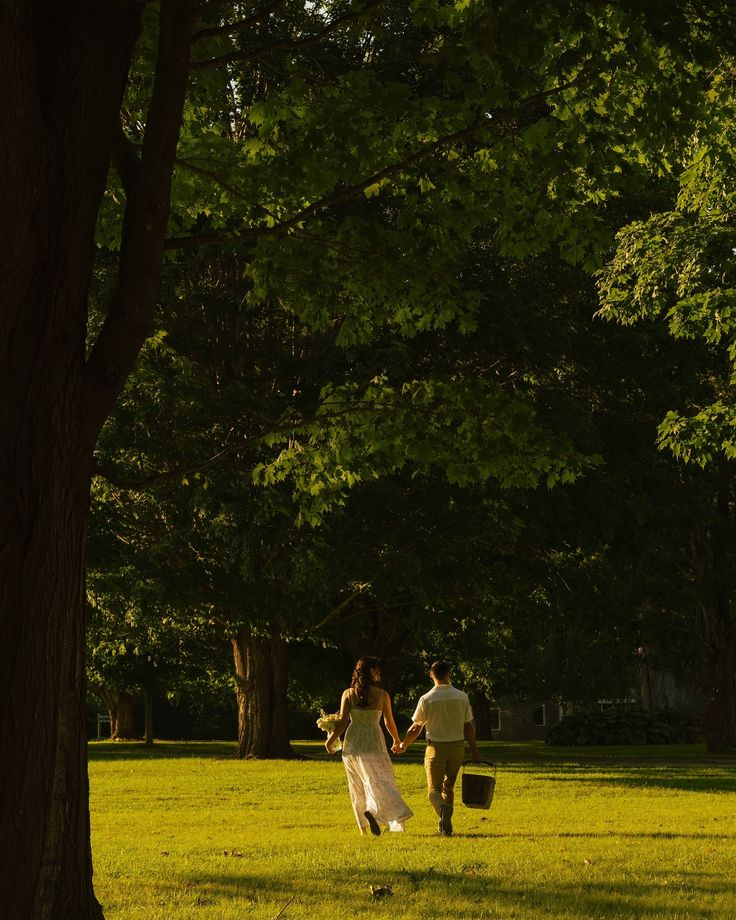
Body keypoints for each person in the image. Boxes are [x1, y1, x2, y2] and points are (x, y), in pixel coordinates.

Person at [325, 656, 413, 836]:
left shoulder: (348, 694)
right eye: (376, 670)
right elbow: (389, 722)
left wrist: (330, 740)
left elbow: (342, 723)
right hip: (374, 741)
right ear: (370, 672)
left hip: (353, 743)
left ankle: (363, 830)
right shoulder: (382, 695)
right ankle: (376, 813)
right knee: (381, 779)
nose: (379, 673)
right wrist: (396, 740)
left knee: (356, 785)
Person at [397, 660, 481, 836]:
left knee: (433, 791)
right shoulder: (462, 696)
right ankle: (445, 827)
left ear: (431, 675)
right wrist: (475, 751)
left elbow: (416, 727)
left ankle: (443, 810)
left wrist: (404, 744)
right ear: (448, 674)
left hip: (436, 747)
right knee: (448, 787)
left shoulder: (427, 698)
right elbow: (468, 727)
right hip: (457, 747)